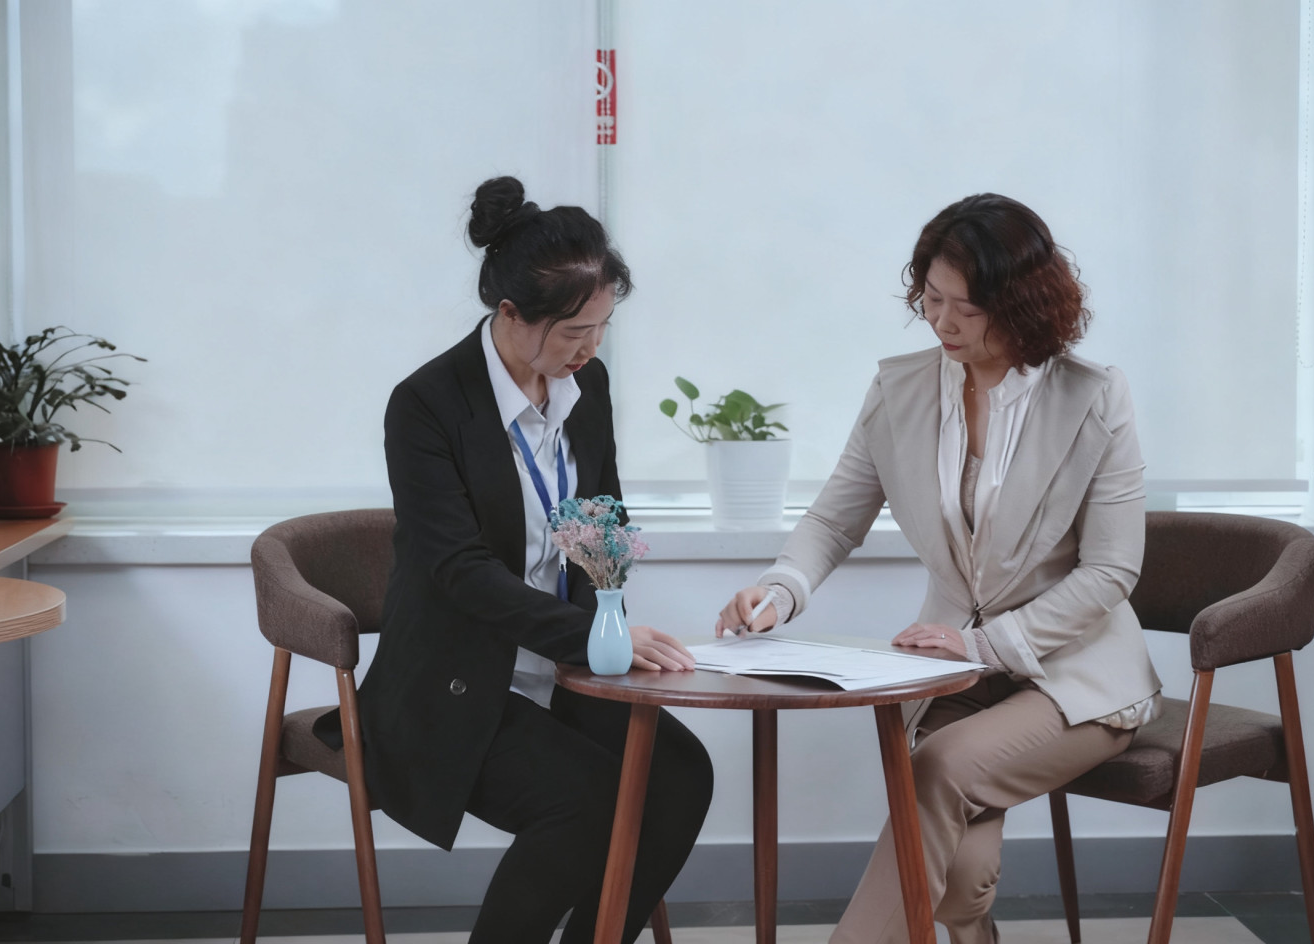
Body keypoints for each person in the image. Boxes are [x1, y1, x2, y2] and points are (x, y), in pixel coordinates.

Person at [717, 193, 1162, 944]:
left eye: (968, 307)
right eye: (931, 299)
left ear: (1021, 304)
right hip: (955, 670)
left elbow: (1112, 571)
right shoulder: (900, 389)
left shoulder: (1094, 397)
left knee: (937, 769)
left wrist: (985, 644)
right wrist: (779, 590)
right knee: (959, 878)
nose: (943, 323)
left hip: (1076, 675)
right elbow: (834, 519)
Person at [322, 176, 713, 944]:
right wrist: (590, 637)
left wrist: (609, 629)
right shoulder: (428, 404)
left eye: (602, 328)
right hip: (454, 681)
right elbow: (458, 571)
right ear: (510, 315)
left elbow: (600, 519)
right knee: (586, 799)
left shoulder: (585, 384)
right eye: (574, 333)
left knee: (679, 775)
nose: (590, 349)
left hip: (562, 666)